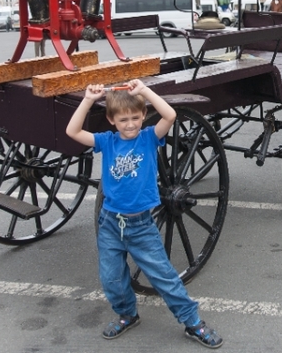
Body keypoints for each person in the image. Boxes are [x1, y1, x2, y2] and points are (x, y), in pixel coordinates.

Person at [66, 79, 223, 349]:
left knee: (164, 277)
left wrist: (144, 91)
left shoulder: (149, 138)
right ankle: (127, 314)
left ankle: (192, 322)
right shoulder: (106, 141)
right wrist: (89, 99)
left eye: (135, 118)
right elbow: (73, 131)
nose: (130, 124)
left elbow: (170, 115)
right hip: (110, 223)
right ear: (112, 120)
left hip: (140, 226)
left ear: (142, 116)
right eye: (123, 119)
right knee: (112, 278)